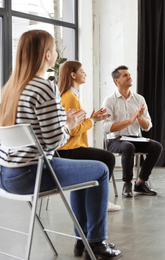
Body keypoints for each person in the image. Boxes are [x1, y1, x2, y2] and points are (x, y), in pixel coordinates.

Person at [0, 30, 121, 259]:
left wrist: (64, 121)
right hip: (33, 175)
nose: (57, 53)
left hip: (6, 177)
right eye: (55, 49)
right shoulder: (45, 87)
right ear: (47, 54)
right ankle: (95, 243)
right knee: (101, 169)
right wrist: (66, 126)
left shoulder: (9, 89)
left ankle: (82, 241)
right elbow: (55, 141)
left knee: (85, 174)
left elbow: (32, 132)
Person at [57, 60, 121, 212]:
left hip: (71, 148)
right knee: (108, 158)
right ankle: (101, 201)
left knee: (104, 158)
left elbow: (75, 125)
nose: (85, 73)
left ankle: (95, 199)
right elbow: (72, 130)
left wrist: (92, 120)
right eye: (82, 71)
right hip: (69, 150)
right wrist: (91, 121)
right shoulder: (70, 97)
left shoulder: (71, 96)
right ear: (73, 75)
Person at [102, 65, 163, 197]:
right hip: (116, 140)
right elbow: (106, 127)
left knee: (156, 146)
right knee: (127, 147)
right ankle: (127, 183)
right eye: (125, 75)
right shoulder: (109, 100)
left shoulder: (139, 99)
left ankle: (140, 183)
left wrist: (139, 117)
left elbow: (147, 126)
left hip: (135, 138)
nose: (129, 77)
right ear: (116, 81)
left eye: (129, 75)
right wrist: (129, 121)